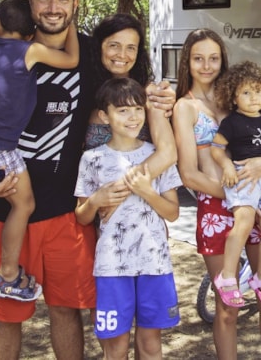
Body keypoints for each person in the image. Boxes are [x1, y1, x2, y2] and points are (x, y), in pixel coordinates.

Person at [0, 0, 176, 360]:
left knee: (67, 309)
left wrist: (162, 97)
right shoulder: (4, 51)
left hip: (65, 214)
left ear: (75, 4)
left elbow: (129, 94)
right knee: (5, 315)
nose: (53, 8)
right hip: (0, 210)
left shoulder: (89, 54)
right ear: (29, 2)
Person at [0, 0, 80, 302]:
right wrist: (71, 24)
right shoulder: (30, 50)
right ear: (30, 34)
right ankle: (8, 275)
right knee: (24, 205)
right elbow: (71, 59)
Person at [171, 29, 261, 360]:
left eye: (214, 58)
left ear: (223, 60)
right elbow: (188, 174)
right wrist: (237, 197)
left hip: (257, 203)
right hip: (218, 207)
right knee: (227, 308)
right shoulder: (185, 107)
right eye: (198, 58)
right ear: (187, 62)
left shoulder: (239, 96)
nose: (206, 65)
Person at [75, 77, 182, 360]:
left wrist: (148, 192)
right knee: (116, 347)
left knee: (150, 345)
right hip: (112, 267)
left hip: (154, 263)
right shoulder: (92, 159)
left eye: (137, 109)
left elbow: (173, 213)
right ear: (104, 116)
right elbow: (82, 217)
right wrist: (96, 200)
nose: (132, 117)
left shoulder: (158, 155)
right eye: (122, 110)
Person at [209, 61, 261, 309]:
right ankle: (227, 276)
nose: (253, 97)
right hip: (243, 175)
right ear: (234, 97)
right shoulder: (232, 122)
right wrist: (226, 166)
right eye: (246, 92)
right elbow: (216, 148)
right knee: (244, 221)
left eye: (258, 91)